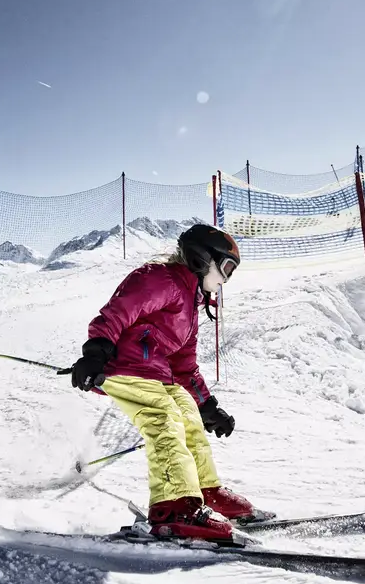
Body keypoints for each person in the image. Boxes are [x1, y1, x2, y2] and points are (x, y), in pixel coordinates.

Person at [68, 224, 261, 541]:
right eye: (226, 268)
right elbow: (118, 312)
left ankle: (202, 490)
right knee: (164, 419)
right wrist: (95, 353)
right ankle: (173, 507)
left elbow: (184, 365)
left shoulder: (191, 304)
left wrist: (208, 407)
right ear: (202, 259)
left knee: (188, 416)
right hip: (123, 367)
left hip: (158, 375)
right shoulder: (159, 278)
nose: (226, 279)